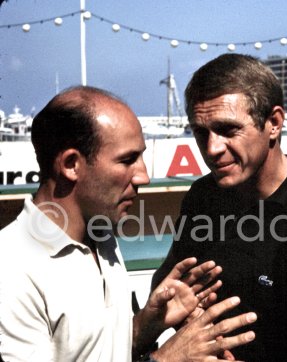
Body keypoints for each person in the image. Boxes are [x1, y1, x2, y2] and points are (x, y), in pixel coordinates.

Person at [0, 86, 256, 361]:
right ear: (71, 164)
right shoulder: (11, 270)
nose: (143, 176)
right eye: (127, 160)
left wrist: (145, 326)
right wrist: (164, 359)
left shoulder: (101, 237)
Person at [151, 53, 287, 361]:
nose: (212, 149)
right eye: (200, 132)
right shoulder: (202, 197)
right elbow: (168, 285)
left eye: (227, 130)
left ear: (274, 123)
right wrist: (194, 326)